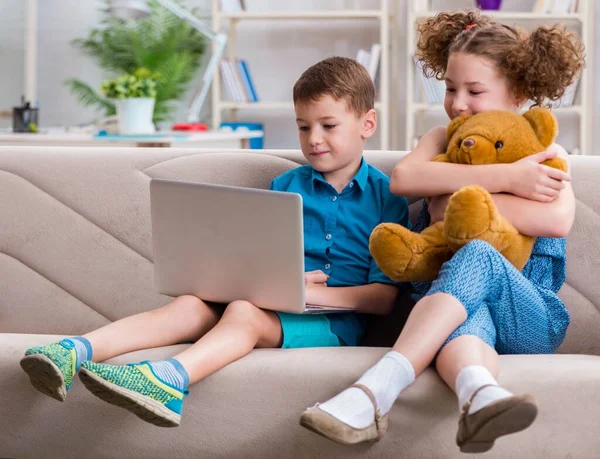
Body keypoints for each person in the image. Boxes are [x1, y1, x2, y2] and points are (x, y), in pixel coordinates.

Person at [20, 57, 409, 428]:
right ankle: (74, 351)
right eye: (304, 127)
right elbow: (256, 260)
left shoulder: (387, 198)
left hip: (332, 323)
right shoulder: (285, 186)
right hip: (262, 300)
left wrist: (304, 293)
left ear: (367, 123)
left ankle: (170, 380)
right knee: (190, 305)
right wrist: (249, 280)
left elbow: (384, 298)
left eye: (328, 125)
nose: (314, 139)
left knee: (242, 311)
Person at [300, 9, 584, 453]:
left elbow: (555, 219)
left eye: (475, 91)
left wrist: (452, 198)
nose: (458, 103)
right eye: (451, 88)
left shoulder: (546, 150)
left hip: (529, 314)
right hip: (448, 308)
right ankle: (480, 395)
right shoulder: (441, 137)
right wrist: (508, 180)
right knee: (465, 312)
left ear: (519, 92)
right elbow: (404, 180)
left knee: (477, 254)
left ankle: (376, 390)